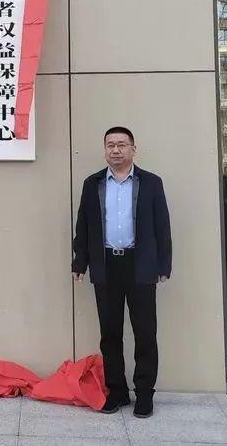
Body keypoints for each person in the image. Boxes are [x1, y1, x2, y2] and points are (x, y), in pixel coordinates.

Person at [72, 126, 172, 418]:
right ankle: (117, 392)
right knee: (110, 333)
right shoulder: (93, 184)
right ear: (105, 149)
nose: (116, 150)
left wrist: (163, 264)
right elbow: (83, 225)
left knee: (145, 333)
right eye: (110, 145)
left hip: (140, 265)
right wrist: (80, 262)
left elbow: (162, 225)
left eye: (121, 144)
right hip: (106, 265)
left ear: (133, 149)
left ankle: (144, 394)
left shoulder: (150, 183)